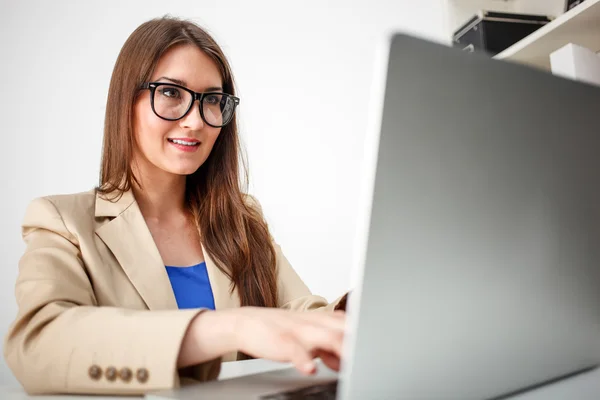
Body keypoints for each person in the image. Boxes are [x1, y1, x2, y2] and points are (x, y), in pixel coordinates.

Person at [3, 16, 349, 396]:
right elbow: (37, 346)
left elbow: (299, 315)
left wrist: (359, 310)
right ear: (125, 102)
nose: (195, 121)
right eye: (171, 93)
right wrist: (228, 327)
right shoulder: (63, 222)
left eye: (212, 100)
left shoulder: (241, 219)